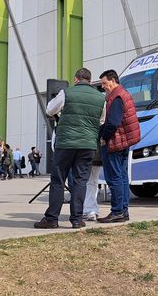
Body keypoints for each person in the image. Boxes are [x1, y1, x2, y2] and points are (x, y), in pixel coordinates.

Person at [34, 68, 105, 229]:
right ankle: (77, 219)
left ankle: (52, 218)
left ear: (76, 79)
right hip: (87, 144)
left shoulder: (66, 93)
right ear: (90, 79)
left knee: (58, 180)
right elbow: (101, 120)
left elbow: (50, 110)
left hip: (66, 143)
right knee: (81, 181)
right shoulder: (101, 98)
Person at [97, 69, 140, 224]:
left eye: (104, 83)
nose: (103, 87)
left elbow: (113, 123)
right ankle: (123, 211)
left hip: (115, 142)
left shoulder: (115, 97)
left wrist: (103, 137)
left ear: (113, 80)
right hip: (124, 142)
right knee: (122, 176)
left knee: (114, 177)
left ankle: (117, 212)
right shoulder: (124, 94)